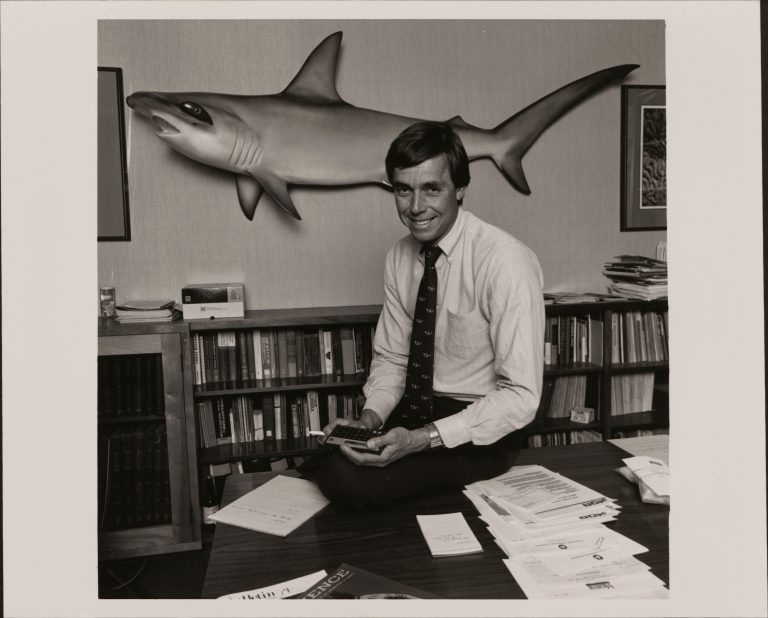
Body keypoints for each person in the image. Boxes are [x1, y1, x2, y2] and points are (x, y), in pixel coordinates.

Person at [304, 121, 545, 509]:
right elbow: (394, 358)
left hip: (479, 427)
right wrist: (367, 421)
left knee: (344, 476)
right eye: (403, 189)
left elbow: (520, 396)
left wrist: (421, 439)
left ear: (461, 188)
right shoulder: (400, 257)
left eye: (432, 188)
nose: (416, 207)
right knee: (334, 453)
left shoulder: (504, 260)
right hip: (415, 411)